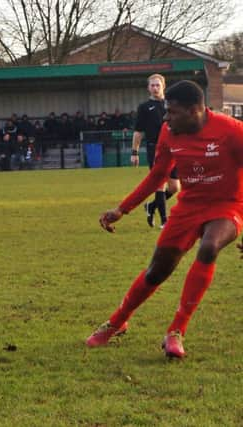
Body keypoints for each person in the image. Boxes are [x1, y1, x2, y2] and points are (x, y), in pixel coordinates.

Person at [87, 80, 243, 358]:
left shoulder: (231, 131)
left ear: (195, 110)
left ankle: (176, 331)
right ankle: (117, 321)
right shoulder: (168, 132)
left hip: (227, 205)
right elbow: (158, 176)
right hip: (189, 206)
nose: (166, 118)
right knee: (156, 271)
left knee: (209, 248)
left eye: (172, 112)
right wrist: (122, 209)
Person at [131, 74, 181, 228]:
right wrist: (134, 153)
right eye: (152, 85)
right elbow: (138, 132)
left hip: (173, 148)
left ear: (163, 86)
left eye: (157, 85)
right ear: (148, 88)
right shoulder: (144, 107)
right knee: (160, 183)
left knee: (174, 187)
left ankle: (151, 207)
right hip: (155, 148)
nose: (155, 88)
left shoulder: (171, 105)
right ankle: (164, 221)